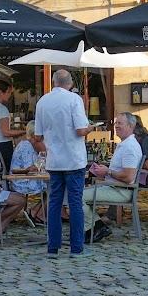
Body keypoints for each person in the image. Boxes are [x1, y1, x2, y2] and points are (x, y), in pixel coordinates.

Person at [33, 68, 94, 256]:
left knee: (54, 203)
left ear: (53, 82)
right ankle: (77, 247)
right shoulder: (74, 99)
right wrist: (90, 128)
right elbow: (80, 130)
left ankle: (53, 246)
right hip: (73, 159)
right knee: (75, 203)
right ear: (70, 83)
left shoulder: (43, 101)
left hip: (54, 160)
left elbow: (37, 135)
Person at [83, 112, 143, 243]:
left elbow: (128, 177)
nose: (116, 126)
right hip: (115, 187)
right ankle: (95, 227)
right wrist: (103, 172)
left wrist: (108, 172)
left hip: (121, 191)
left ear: (131, 126)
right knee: (78, 194)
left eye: (120, 123)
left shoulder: (130, 147)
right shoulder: (125, 144)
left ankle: (96, 228)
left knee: (77, 197)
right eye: (116, 123)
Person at [9, 120, 46, 224]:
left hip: (22, 178)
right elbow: (29, 169)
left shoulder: (27, 144)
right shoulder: (26, 146)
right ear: (34, 134)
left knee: (55, 185)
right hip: (22, 181)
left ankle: (36, 211)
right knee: (56, 186)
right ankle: (37, 213)